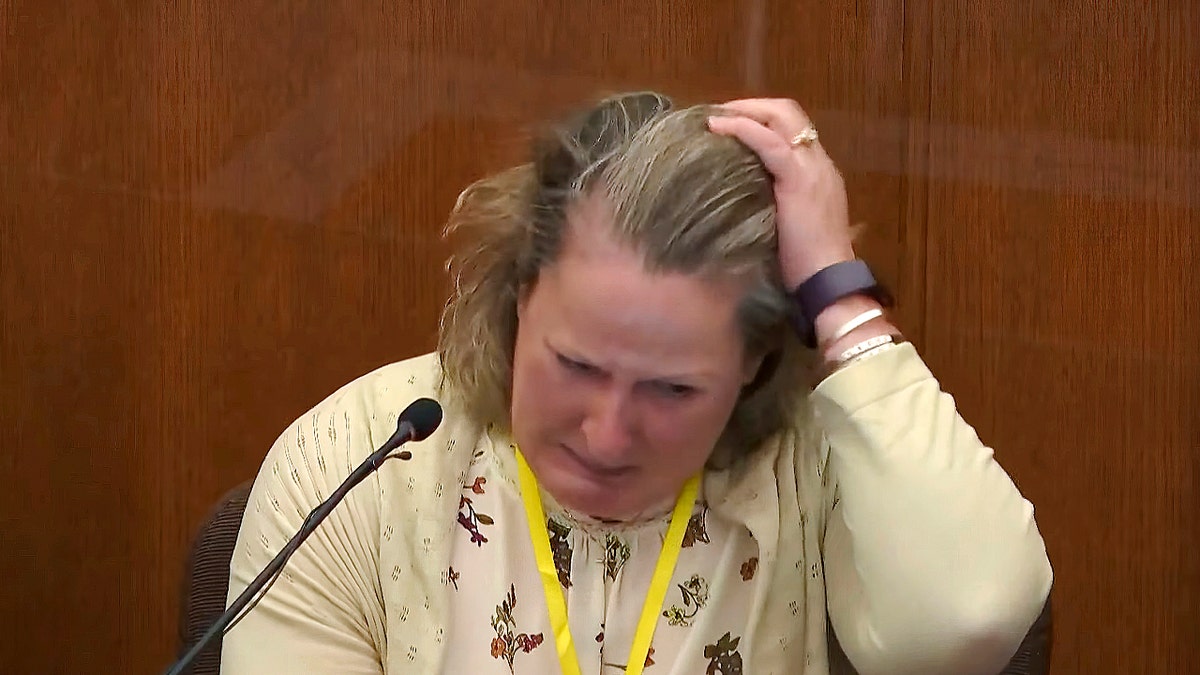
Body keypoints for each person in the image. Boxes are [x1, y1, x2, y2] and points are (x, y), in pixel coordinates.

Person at [221, 92, 1053, 675]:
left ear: (754, 366)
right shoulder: (357, 457)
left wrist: (839, 295)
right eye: (577, 365)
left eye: (673, 391)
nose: (607, 434)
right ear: (518, 302)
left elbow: (969, 617)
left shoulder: (821, 469)